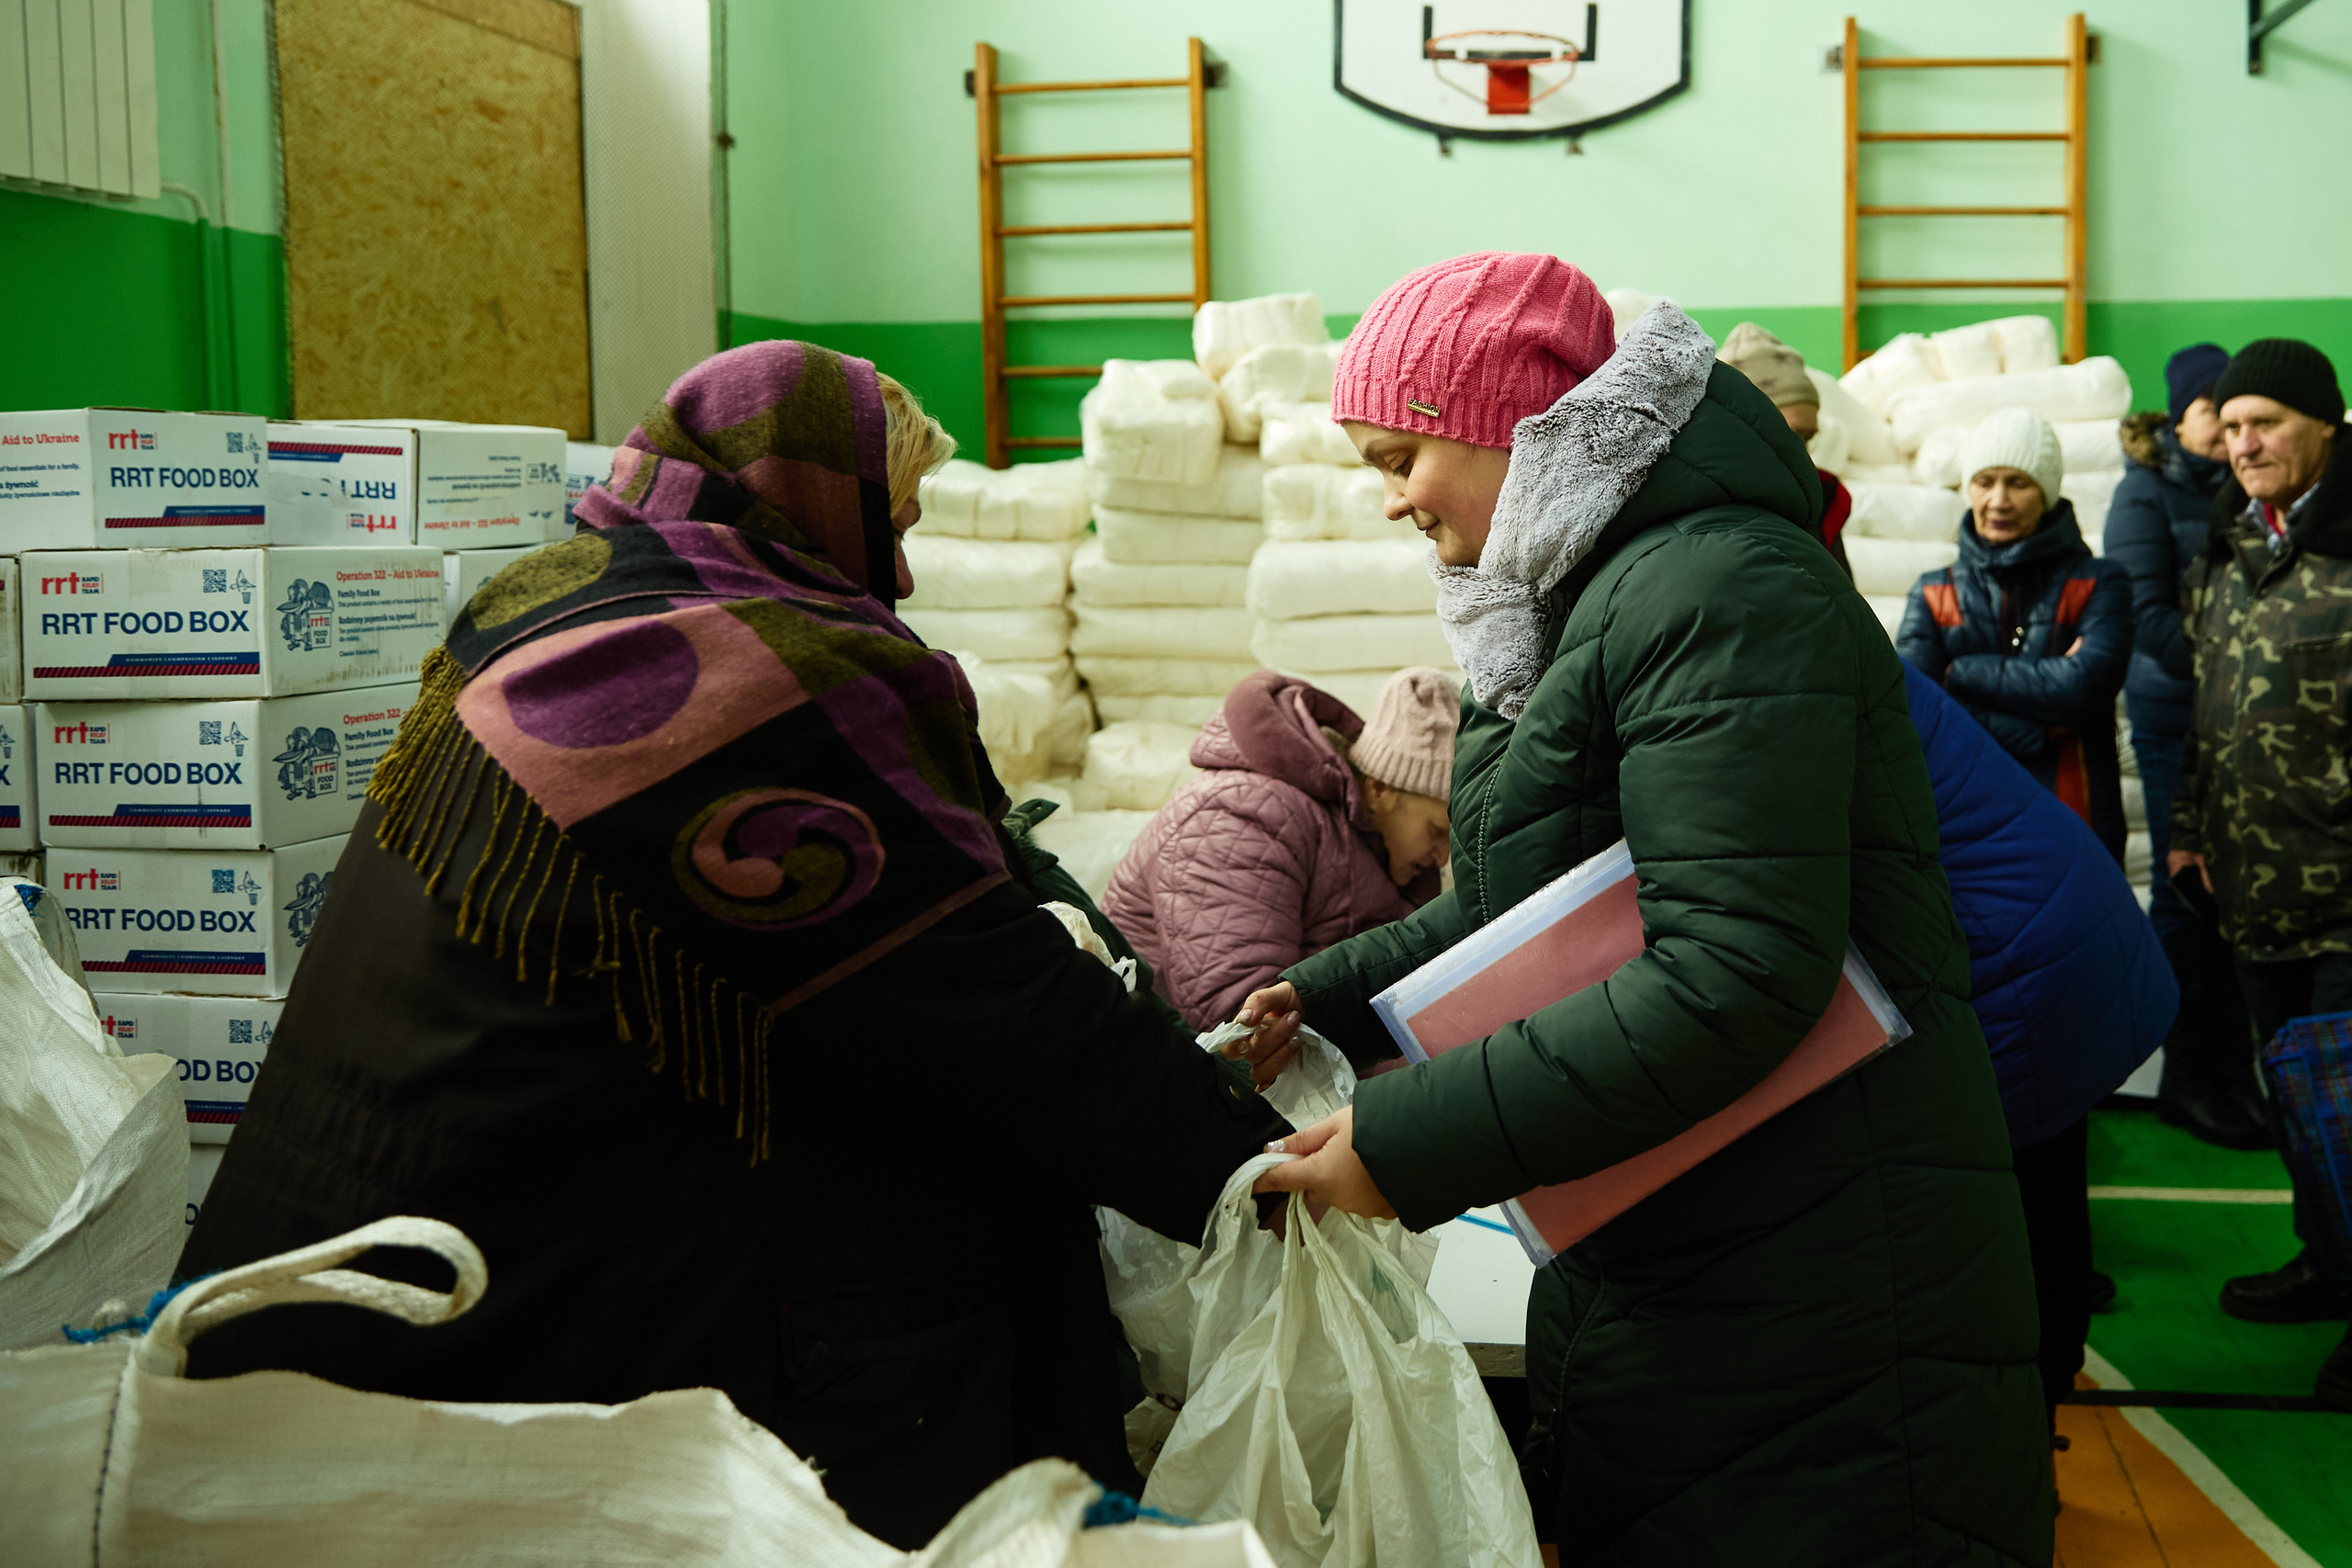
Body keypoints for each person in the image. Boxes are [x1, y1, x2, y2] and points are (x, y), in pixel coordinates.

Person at [176, 341, 1290, 1547]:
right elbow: (996, 1010)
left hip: (350, 1253)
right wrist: (1255, 1166)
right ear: (811, 503)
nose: (902, 571)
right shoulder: (749, 679)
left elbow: (955, 918)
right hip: (477, 1303)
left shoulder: (554, 603)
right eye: (890, 525)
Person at [1228, 254, 2051, 1566]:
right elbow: (1529, 906)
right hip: (1696, 1234)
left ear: (1505, 425)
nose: (1390, 500)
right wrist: (1320, 999)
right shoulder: (1567, 604)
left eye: (1401, 457)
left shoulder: (1716, 589)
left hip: (1817, 1272)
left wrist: (1408, 1139)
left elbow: (1735, 967)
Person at [1904, 659, 2174, 1427]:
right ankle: (2040, 1388)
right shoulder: (1823, 642)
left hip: (2025, 956)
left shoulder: (1774, 676)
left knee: (2016, 1200)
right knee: (2041, 1187)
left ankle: (2029, 1411)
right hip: (2051, 920)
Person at [2167, 338, 2352, 1397]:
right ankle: (2329, 1266)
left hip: (2344, 895)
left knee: (2349, 1117)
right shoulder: (2232, 545)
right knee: (2296, 1107)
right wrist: (2188, 825)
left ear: (2323, 424)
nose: (2242, 444)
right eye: (2231, 426)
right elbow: (2210, 704)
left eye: (2265, 423)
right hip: (2251, 884)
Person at [1103, 666, 1453, 1030]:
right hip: (1155, 1051)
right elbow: (1242, 1021)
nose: (1443, 856)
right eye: (1436, 831)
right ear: (1379, 789)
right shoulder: (1242, 815)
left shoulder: (1370, 839)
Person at [2106, 344, 2264, 1148]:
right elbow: (2147, 616)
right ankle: (2187, 1076)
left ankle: (2234, 1073)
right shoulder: (2143, 491)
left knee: (2236, 896)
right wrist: (2244, 664)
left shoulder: (2244, 491)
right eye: (2213, 410)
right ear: (2180, 415)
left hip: (2241, 720)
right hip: (2176, 715)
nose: (2229, 429)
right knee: (2184, 894)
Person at [1897, 409, 2133, 863]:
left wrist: (1962, 673)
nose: (1999, 500)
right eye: (1985, 482)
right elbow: (1916, 710)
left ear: (2046, 492)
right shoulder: (1934, 592)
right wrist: (2043, 728)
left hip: (2075, 815)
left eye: (2018, 483)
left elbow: (2084, 689)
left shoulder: (2099, 583)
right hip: (1964, 819)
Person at [1716, 321, 1851, 573]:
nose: (1804, 456)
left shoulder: (1823, 499)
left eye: (1808, 438)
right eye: (1790, 438)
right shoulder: (1705, 517)